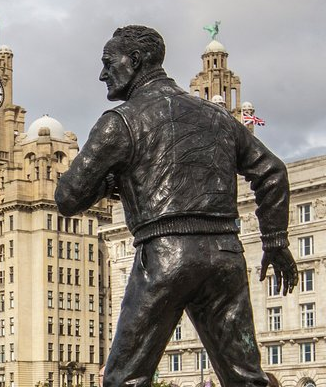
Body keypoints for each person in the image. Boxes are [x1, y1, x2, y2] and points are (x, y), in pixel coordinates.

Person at [55, 26, 297, 387]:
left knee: (125, 378)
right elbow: (272, 171)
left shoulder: (120, 122)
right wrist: (275, 242)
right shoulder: (218, 118)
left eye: (108, 63)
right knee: (246, 378)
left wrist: (111, 180)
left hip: (165, 255)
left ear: (134, 61)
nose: (102, 74)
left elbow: (68, 197)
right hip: (225, 256)